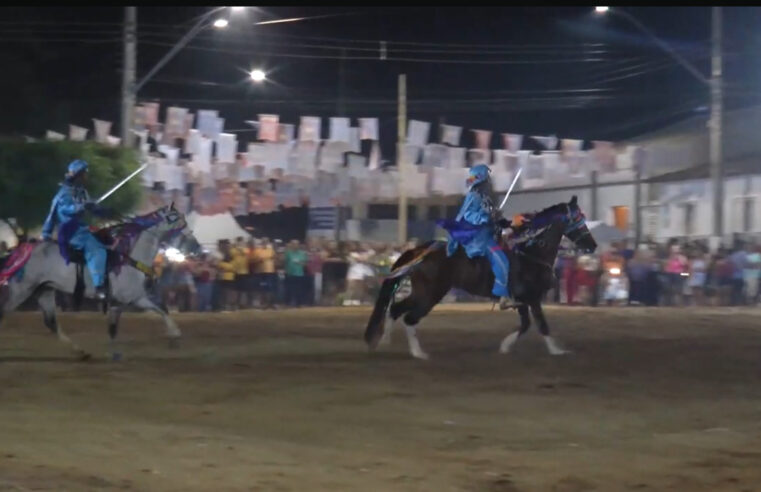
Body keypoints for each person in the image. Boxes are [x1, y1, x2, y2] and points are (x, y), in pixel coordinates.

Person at [446, 164, 518, 307]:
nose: (490, 182)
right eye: (488, 179)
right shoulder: (474, 196)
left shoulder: (485, 198)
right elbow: (468, 215)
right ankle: (503, 296)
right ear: (483, 180)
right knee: (502, 261)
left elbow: (493, 218)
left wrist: (502, 221)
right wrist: (487, 216)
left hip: (486, 234)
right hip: (479, 239)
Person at [41, 159, 112, 300]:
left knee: (108, 238)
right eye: (84, 174)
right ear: (78, 175)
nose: (86, 177)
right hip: (69, 230)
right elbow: (64, 210)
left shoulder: (82, 192)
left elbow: (91, 207)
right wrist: (81, 207)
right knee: (97, 250)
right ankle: (98, 287)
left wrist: (103, 211)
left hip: (81, 228)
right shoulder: (64, 193)